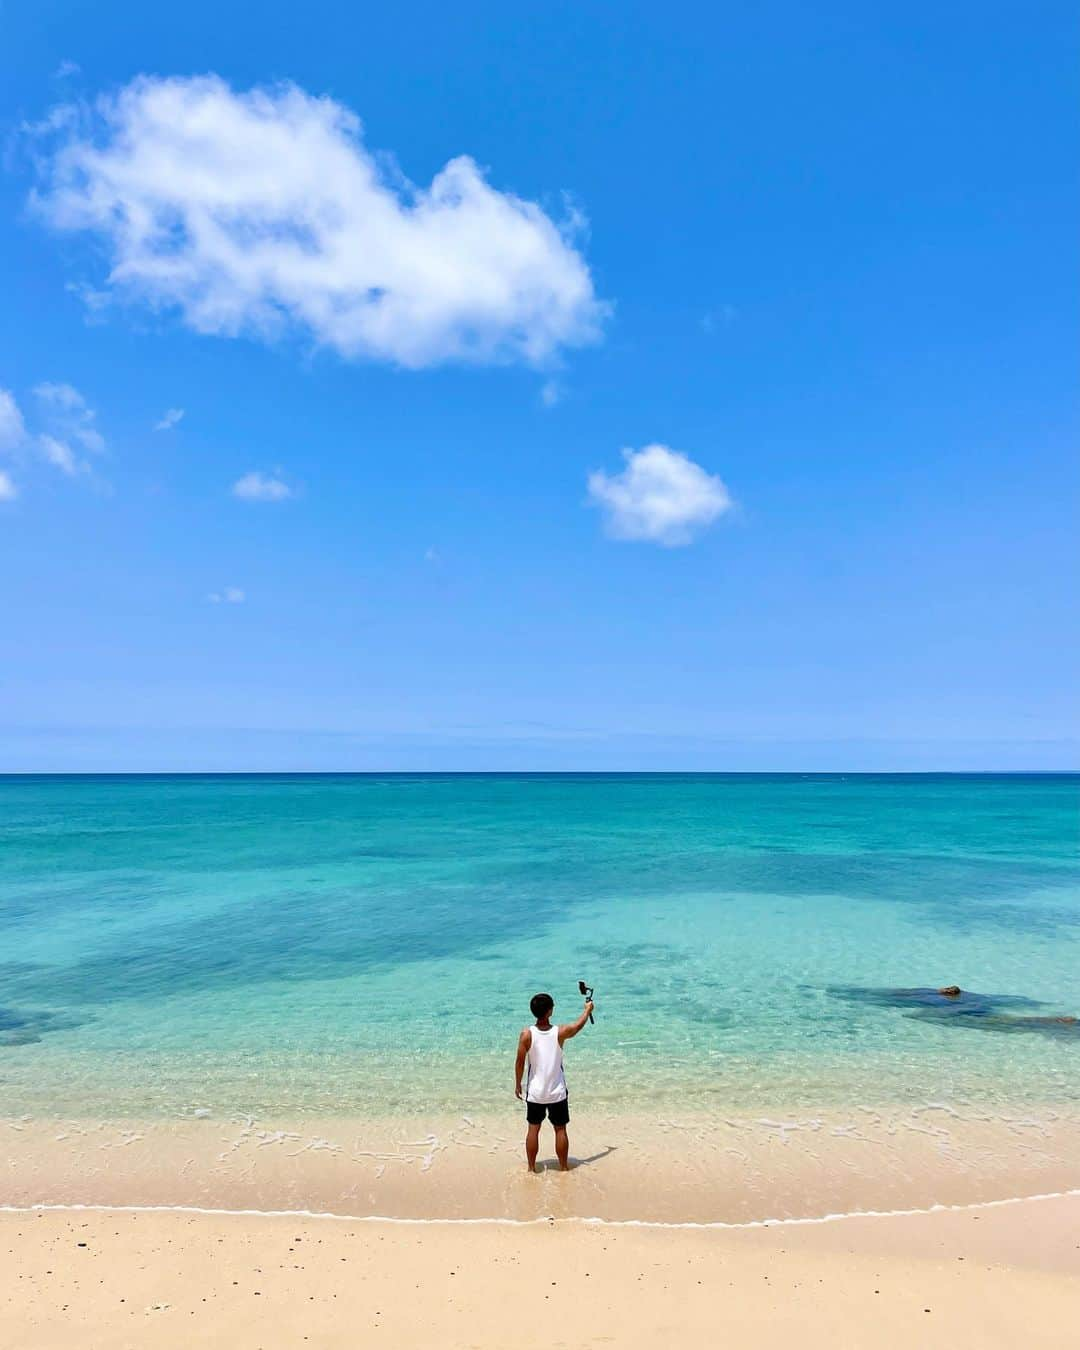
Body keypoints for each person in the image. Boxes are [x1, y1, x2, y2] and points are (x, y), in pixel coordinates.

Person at [514, 990, 594, 1173]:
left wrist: (518, 1084)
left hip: (535, 1093)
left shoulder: (526, 1034)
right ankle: (564, 1168)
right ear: (550, 1011)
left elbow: (519, 1062)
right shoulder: (560, 1032)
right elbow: (577, 1026)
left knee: (533, 1130)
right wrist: (587, 1010)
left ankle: (531, 1168)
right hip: (557, 1092)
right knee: (560, 1130)